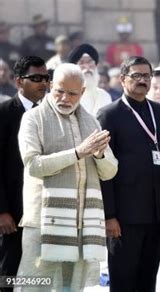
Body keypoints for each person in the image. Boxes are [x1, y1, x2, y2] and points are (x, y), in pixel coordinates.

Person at [15, 63, 118, 291]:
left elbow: (110, 171)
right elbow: (33, 165)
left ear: (82, 93)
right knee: (35, 284)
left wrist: (100, 154)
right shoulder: (33, 118)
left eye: (72, 93)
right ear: (51, 86)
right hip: (43, 221)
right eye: (60, 91)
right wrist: (78, 152)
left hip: (80, 223)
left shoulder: (91, 122)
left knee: (72, 287)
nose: (65, 98)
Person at [97, 56, 160, 292]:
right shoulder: (109, 114)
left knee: (147, 280)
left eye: (147, 76)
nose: (143, 80)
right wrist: (109, 215)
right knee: (123, 281)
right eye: (136, 75)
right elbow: (103, 169)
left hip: (156, 213)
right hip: (124, 217)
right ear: (122, 79)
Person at [0, 56, 48, 292]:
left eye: (46, 78)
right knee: (8, 275)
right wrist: (2, 211)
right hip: (12, 213)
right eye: (36, 78)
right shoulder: (5, 112)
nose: (43, 83)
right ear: (19, 81)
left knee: (40, 276)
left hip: (44, 211)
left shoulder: (51, 114)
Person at [69, 43, 112, 116]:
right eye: (81, 63)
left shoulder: (104, 95)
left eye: (90, 62)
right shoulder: (68, 96)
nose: (87, 67)